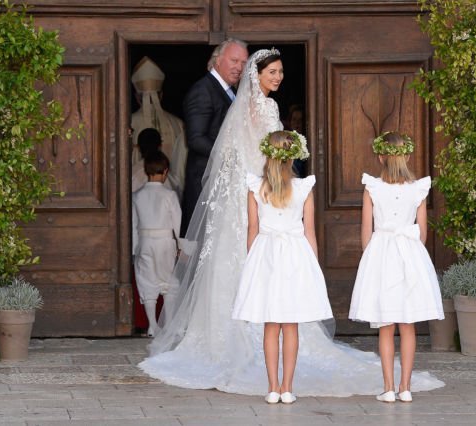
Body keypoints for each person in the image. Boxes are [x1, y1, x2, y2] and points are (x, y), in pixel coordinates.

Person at [138, 49, 444, 396]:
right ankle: (266, 367)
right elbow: (242, 150)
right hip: (266, 190)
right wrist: (270, 180)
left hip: (272, 187)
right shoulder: (257, 106)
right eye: (273, 72)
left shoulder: (268, 106)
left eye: (282, 71)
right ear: (258, 74)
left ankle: (279, 381)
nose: (278, 77)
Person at [232, 130, 333, 404]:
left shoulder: (256, 188)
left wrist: (252, 265)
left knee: (271, 324)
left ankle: (272, 387)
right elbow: (309, 232)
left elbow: (252, 232)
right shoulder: (303, 189)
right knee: (290, 325)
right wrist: (313, 267)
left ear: (268, 155)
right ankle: (288, 387)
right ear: (292, 157)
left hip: (266, 255)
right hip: (295, 255)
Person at [349, 131, 445, 403]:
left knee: (386, 325)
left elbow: (366, 234)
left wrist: (372, 260)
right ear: (408, 156)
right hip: (409, 255)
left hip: (382, 255)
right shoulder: (418, 188)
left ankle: (388, 387)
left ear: (380, 156)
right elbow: (423, 233)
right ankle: (406, 388)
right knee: (408, 324)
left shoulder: (372, 188)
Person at [181, 38, 249, 236]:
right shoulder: (203, 91)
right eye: (234, 61)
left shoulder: (229, 91)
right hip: (207, 183)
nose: (239, 67)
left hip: (226, 183)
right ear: (218, 60)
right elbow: (196, 139)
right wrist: (232, 156)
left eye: (243, 63)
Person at [132, 150, 182, 337]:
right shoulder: (170, 195)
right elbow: (177, 222)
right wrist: (179, 244)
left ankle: (153, 325)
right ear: (166, 171)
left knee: (147, 281)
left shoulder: (137, 195)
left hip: (144, 241)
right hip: (165, 242)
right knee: (168, 281)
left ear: (145, 171)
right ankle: (167, 324)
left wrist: (134, 248)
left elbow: (133, 224)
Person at [131, 57, 187, 198]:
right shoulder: (177, 123)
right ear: (161, 95)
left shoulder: (126, 122)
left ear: (137, 97)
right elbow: (182, 168)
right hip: (170, 190)